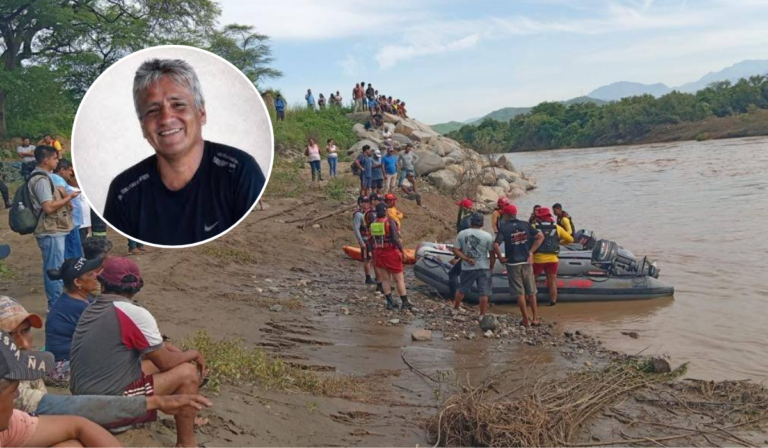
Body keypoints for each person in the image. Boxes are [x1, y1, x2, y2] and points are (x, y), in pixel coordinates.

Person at [103, 58, 266, 245]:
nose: (166, 118)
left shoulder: (240, 172)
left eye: (178, 105)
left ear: (201, 113)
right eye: (152, 110)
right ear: (142, 126)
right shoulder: (124, 191)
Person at [0, 296, 211, 429]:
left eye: (25, 331)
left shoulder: (91, 307)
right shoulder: (94, 308)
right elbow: (57, 406)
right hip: (26, 427)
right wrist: (155, 402)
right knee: (187, 372)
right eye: (10, 335)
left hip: (41, 418)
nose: (24, 344)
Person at [70, 257, 207, 446]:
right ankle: (187, 443)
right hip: (107, 408)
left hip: (82, 399)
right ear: (136, 287)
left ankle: (174, 410)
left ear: (102, 283)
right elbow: (166, 363)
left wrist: (174, 351)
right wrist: (194, 353)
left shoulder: (92, 307)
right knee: (188, 373)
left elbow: (150, 351)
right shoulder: (133, 313)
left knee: (157, 364)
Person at [0, 328, 123, 447]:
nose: (17, 394)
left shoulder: (9, 425)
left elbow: (78, 425)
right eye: (12, 391)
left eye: (25, 330)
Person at [29, 145, 78, 310]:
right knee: (54, 269)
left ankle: (55, 302)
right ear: (46, 160)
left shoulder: (45, 177)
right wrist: (69, 197)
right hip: (50, 230)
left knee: (52, 267)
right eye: (55, 158)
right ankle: (56, 305)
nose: (57, 161)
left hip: (53, 229)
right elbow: (48, 207)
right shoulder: (41, 180)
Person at [45, 257, 104, 382]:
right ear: (77, 282)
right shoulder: (77, 306)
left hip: (66, 358)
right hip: (63, 365)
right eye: (90, 274)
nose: (95, 275)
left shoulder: (79, 298)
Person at [494, 204, 544, 327]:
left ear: (506, 215)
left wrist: (500, 257)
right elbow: (540, 237)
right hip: (526, 262)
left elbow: (495, 245)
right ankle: (536, 318)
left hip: (513, 263)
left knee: (519, 292)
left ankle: (525, 319)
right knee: (531, 291)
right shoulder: (525, 224)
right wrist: (531, 252)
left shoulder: (504, 227)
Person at [453, 213, 501, 316]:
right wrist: (491, 267)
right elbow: (492, 254)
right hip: (483, 267)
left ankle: (455, 308)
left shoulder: (462, 233)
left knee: (461, 289)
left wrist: (466, 258)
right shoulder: (487, 236)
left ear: (471, 221)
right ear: (482, 223)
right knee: (483, 293)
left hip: (467, 267)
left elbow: (455, 250)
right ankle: (482, 314)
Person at [370, 203, 411, 310]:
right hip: (390, 253)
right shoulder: (389, 222)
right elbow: (395, 238)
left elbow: (371, 240)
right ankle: (405, 302)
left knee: (385, 279)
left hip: (378, 253)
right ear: (385, 211)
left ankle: (390, 302)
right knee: (399, 279)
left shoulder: (373, 224)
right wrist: (403, 251)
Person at [532, 207, 574, 306]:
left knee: (531, 280)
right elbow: (570, 239)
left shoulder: (534, 226)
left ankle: (530, 300)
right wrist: (560, 243)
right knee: (552, 282)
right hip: (553, 259)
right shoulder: (557, 227)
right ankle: (553, 301)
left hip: (538, 259)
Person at [52, 159, 82, 259]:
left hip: (70, 219)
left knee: (72, 244)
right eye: (69, 170)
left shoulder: (54, 177)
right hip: (70, 219)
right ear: (62, 170)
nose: (71, 172)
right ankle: (75, 269)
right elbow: (61, 189)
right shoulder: (58, 179)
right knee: (73, 245)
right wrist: (69, 203)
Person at [448, 198, 475, 299]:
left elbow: (462, 242)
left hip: (468, 254)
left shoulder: (464, 223)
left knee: (453, 274)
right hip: (476, 252)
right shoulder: (474, 218)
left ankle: (454, 298)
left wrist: (457, 257)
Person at [353, 195, 375, 285]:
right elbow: (356, 228)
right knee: (367, 259)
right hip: (365, 239)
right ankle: (368, 277)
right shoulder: (358, 214)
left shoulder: (368, 213)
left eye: (368, 202)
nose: (367, 204)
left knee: (371, 258)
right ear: (360, 203)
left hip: (370, 238)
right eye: (365, 202)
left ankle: (373, 277)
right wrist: (361, 242)